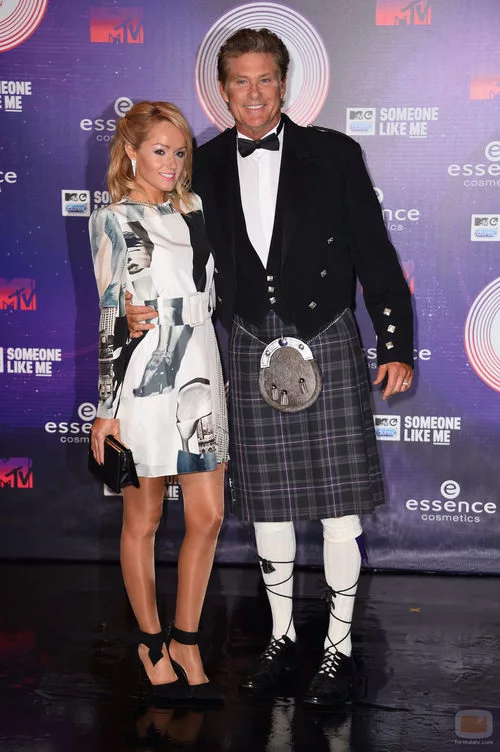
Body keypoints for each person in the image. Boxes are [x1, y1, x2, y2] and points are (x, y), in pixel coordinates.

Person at [126, 29, 414, 706]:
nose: (253, 94)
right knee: (269, 508)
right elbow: (169, 248)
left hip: (327, 334)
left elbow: (374, 250)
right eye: (240, 81)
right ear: (222, 90)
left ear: (283, 84)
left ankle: (339, 649)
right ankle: (282, 638)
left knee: (340, 509)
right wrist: (135, 309)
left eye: (265, 79)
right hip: (250, 339)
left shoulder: (335, 154)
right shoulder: (201, 163)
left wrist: (395, 343)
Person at [89, 101, 228, 704]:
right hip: (144, 373)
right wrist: (106, 408)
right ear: (131, 152)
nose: (171, 162)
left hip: (200, 359)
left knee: (209, 515)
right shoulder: (112, 220)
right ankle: (151, 642)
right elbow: (109, 317)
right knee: (143, 518)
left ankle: (187, 640)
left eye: (179, 151)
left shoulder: (195, 209)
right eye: (159, 150)